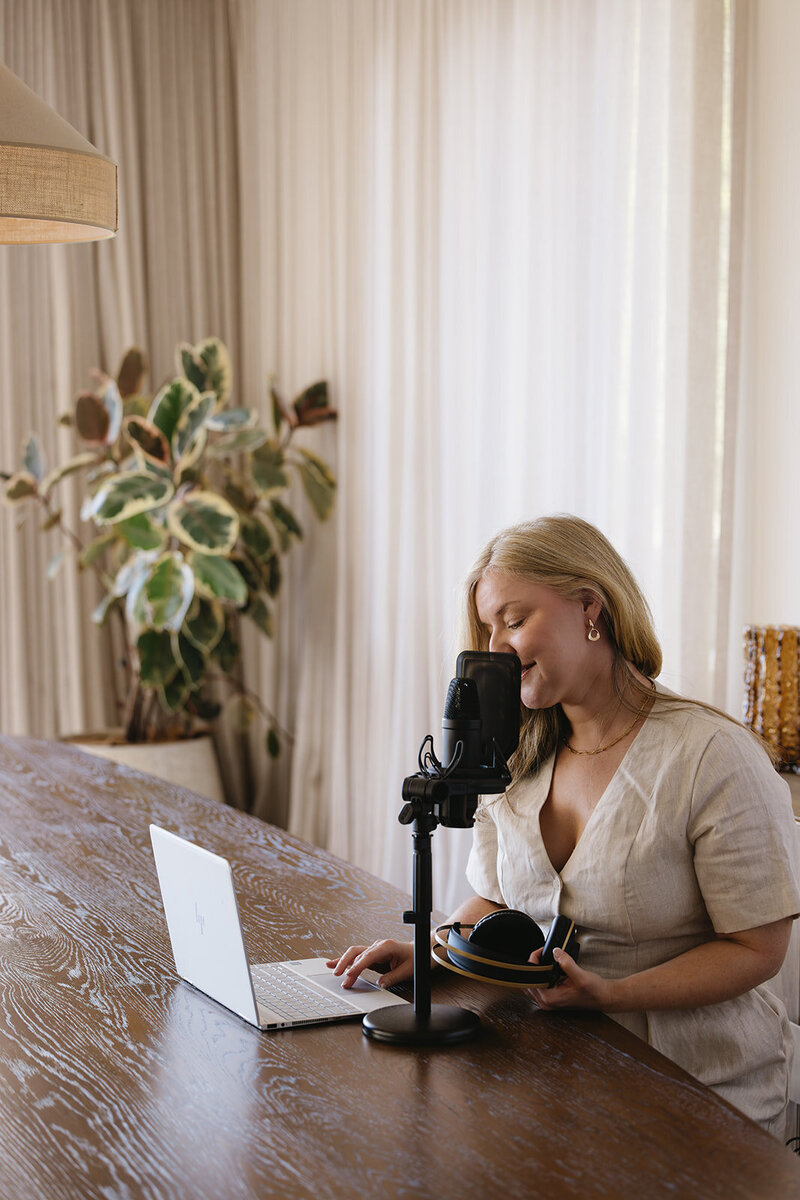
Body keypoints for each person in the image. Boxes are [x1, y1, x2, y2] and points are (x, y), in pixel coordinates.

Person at [328, 514, 800, 1134]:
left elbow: (758, 949)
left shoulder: (711, 755)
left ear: (590, 608)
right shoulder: (515, 756)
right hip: (557, 1074)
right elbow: (496, 898)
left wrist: (614, 994)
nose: (497, 649)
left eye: (515, 621)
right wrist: (436, 949)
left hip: (703, 1094)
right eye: (487, 629)